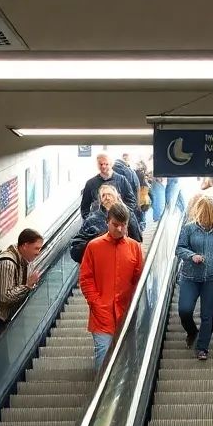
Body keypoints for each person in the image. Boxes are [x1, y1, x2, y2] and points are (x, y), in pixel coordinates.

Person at [78, 202, 144, 371]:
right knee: (103, 355)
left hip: (127, 313)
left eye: (124, 225)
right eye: (116, 225)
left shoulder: (134, 247)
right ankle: (101, 394)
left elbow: (139, 280)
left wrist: (134, 305)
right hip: (102, 313)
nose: (120, 230)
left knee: (129, 354)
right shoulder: (94, 246)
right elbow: (86, 278)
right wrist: (95, 302)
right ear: (107, 221)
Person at [176, 198, 213, 361]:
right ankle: (192, 331)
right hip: (190, 277)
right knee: (184, 310)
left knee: (207, 315)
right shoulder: (189, 229)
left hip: (212, 279)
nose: (204, 219)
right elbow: (179, 249)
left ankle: (203, 347)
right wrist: (191, 255)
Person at [0, 227, 43, 341]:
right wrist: (28, 286)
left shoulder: (25, 261)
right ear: (25, 245)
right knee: (0, 357)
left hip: (3, 318)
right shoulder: (7, 263)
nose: (38, 253)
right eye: (36, 248)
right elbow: (5, 297)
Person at [80, 153, 141, 239]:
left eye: (106, 164)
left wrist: (124, 214)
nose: (103, 166)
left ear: (111, 164)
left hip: (120, 225)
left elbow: (131, 200)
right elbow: (84, 206)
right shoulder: (91, 183)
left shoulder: (122, 180)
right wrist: (90, 219)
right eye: (101, 164)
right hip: (98, 228)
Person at [70, 183, 120, 263]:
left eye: (110, 194)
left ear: (116, 196)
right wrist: (94, 246)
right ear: (101, 201)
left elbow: (136, 238)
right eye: (104, 195)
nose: (107, 198)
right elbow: (76, 247)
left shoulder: (127, 216)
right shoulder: (92, 220)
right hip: (100, 265)